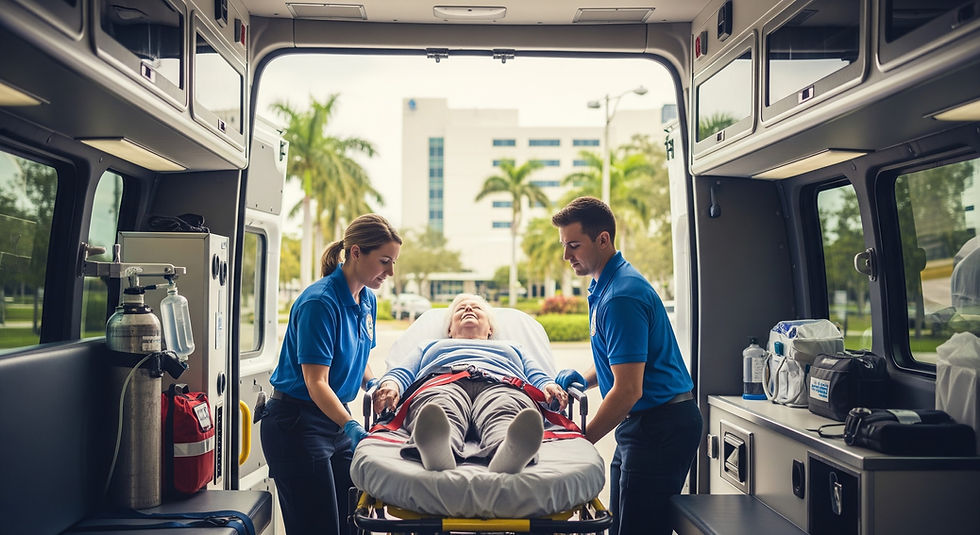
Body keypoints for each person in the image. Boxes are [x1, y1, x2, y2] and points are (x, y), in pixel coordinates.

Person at [551, 196, 702, 535]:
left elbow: (629, 389)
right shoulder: (606, 285)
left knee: (637, 528)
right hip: (644, 425)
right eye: (564, 246)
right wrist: (585, 378)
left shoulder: (621, 295)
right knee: (623, 523)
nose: (566, 256)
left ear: (602, 239)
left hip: (659, 426)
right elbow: (621, 358)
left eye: (574, 245)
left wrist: (581, 440)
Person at [259, 213, 401, 535]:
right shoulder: (320, 303)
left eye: (393, 262)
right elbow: (315, 382)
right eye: (384, 261)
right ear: (355, 253)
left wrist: (373, 383)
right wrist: (350, 425)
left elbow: (359, 354)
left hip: (333, 423)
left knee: (351, 524)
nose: (390, 272)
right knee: (319, 528)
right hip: (297, 425)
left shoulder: (367, 300)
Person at [372, 294, 569, 473]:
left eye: (476, 308)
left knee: (505, 409)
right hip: (443, 383)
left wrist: (548, 386)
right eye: (460, 308)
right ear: (450, 329)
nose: (468, 309)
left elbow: (537, 375)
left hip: (502, 385)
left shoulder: (513, 347)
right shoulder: (429, 345)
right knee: (438, 407)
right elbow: (402, 372)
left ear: (490, 328)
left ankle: (507, 449)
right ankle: (438, 449)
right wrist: (390, 385)